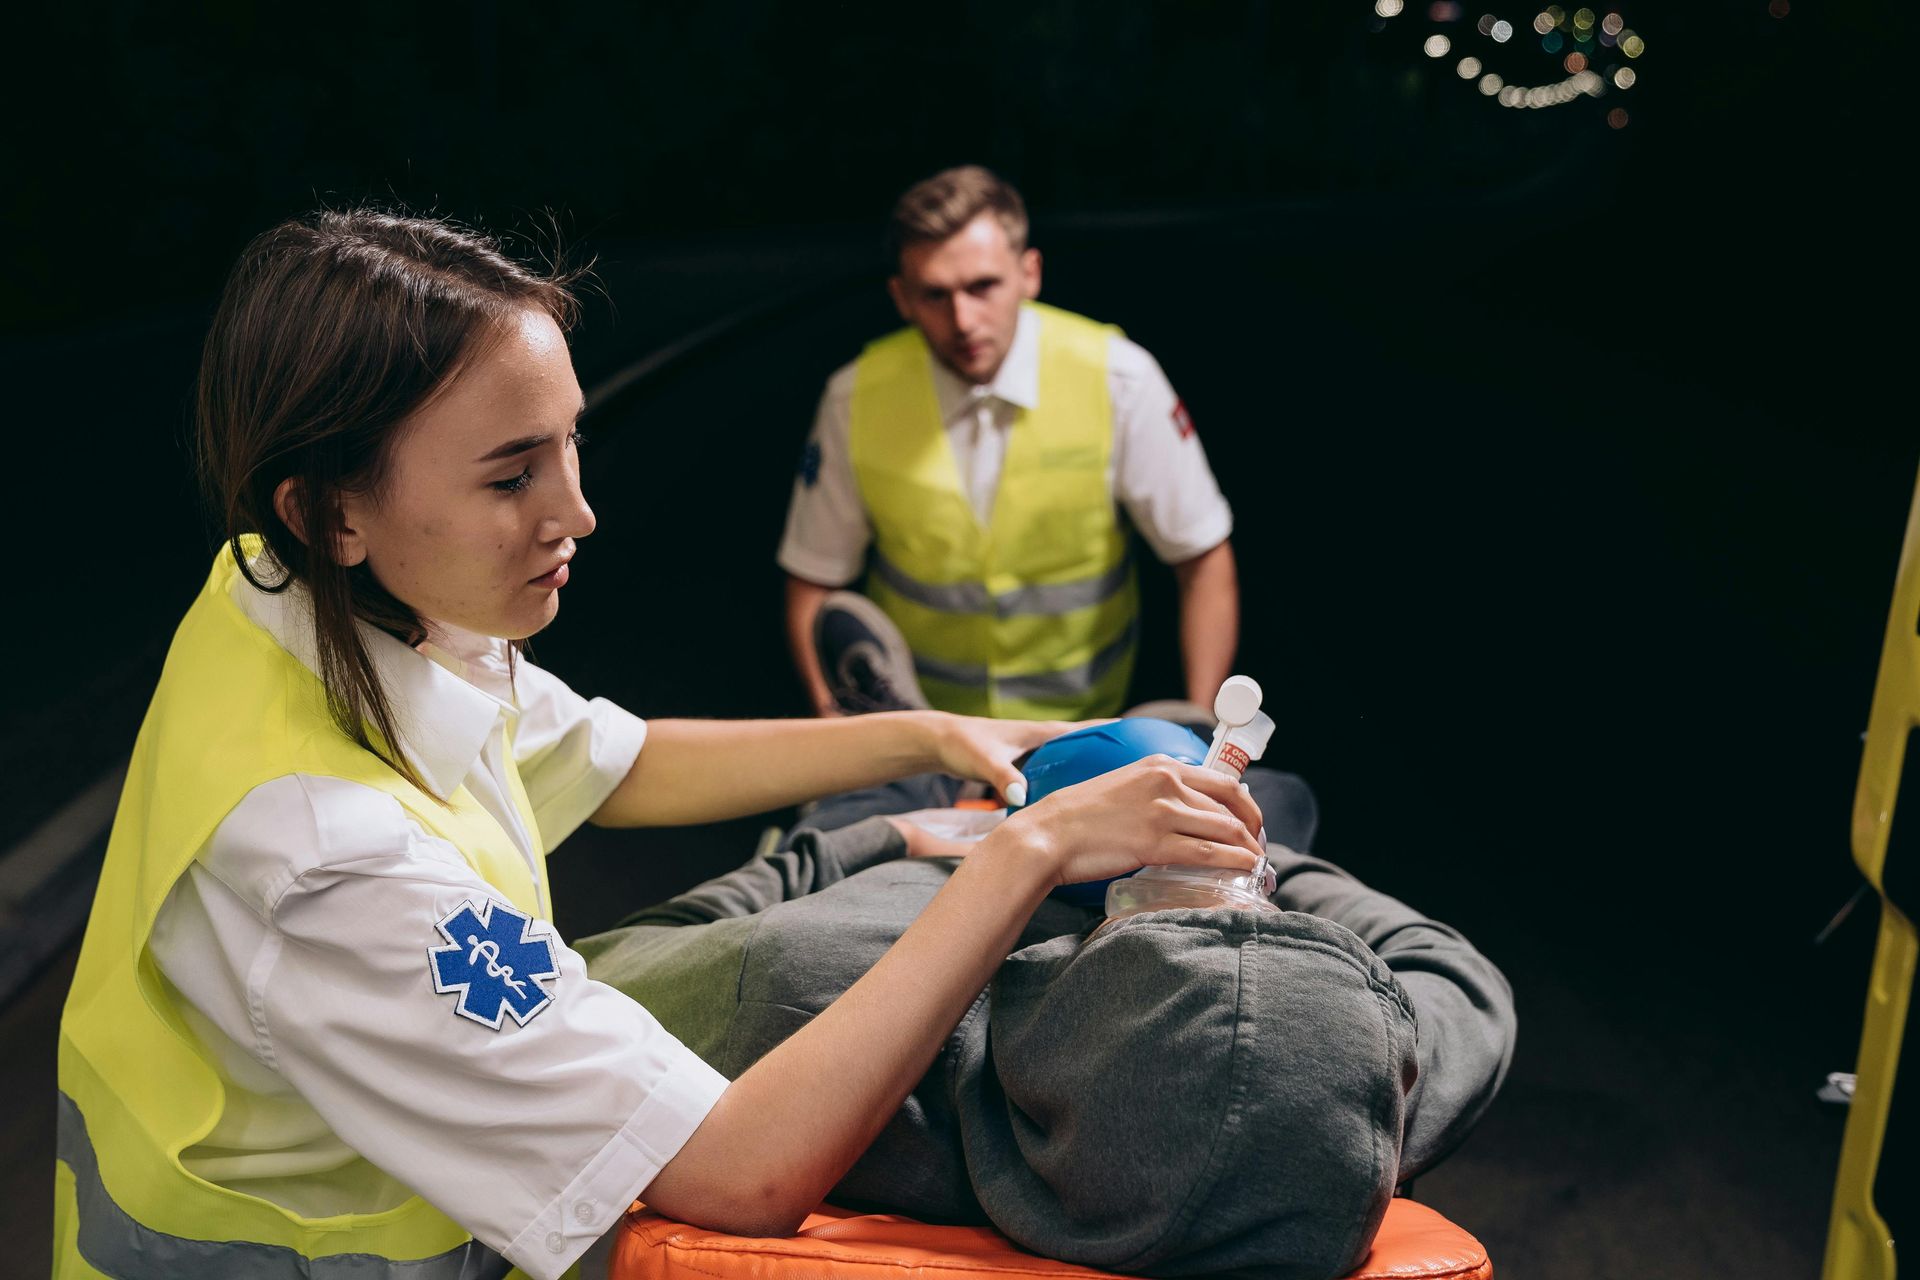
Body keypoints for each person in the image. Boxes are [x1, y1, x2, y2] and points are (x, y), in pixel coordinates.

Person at [52, 209, 1270, 1280]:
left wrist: (929, 731)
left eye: (569, 443)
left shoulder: (294, 592)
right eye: (511, 477)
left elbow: (614, 758)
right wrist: (1028, 849)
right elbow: (740, 1169)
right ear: (331, 510)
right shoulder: (330, 865)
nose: (577, 511)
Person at [577, 767, 1515, 1279]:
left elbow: (616, 960)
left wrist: (898, 839)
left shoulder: (808, 989)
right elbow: (1456, 973)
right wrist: (1267, 858)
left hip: (935, 848)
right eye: (1260, 912)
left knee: (874, 793)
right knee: (1290, 794)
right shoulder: (1338, 1102)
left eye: (1170, 911)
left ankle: (900, 764)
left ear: (1063, 973)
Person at [779, 165, 1241, 722]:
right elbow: (812, 582)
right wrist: (836, 727)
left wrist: (1199, 731)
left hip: (1087, 731)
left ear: (1029, 273)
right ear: (901, 298)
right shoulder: (853, 398)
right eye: (935, 295)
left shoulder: (1119, 380)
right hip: (919, 735)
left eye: (983, 287)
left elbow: (1202, 558)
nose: (963, 320)